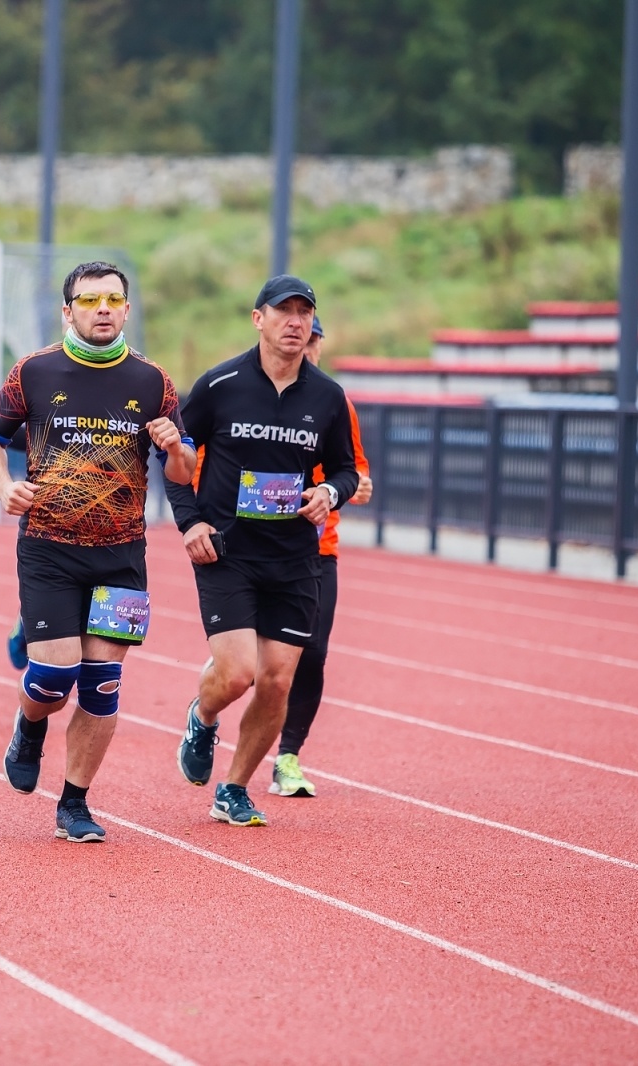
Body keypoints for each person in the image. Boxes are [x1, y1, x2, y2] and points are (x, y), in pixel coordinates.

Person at [0, 261, 195, 843]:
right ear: (68, 311)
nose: (103, 309)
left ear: (127, 309)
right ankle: (29, 728)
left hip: (122, 556)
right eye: (91, 300)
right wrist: (3, 487)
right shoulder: (35, 371)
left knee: (101, 685)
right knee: (52, 676)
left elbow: (185, 469)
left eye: (113, 300)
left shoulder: (153, 381)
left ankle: (74, 803)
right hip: (49, 549)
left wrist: (175, 447)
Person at [166, 275, 361, 828]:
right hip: (227, 553)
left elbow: (346, 469)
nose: (295, 322)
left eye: (305, 312)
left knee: (276, 682)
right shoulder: (220, 384)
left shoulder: (327, 396)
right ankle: (203, 716)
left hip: (294, 559)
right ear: (259, 319)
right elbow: (175, 458)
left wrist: (329, 492)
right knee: (236, 675)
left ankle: (233, 789)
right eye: (283, 311)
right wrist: (190, 522)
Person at [270, 315, 373, 798]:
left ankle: (288, 756)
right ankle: (211, 702)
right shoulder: (251, 392)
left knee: (312, 654)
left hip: (317, 548)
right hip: (256, 544)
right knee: (254, 663)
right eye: (301, 340)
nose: (306, 348)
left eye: (314, 341)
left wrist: (355, 486)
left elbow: (353, 468)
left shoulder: (334, 400)